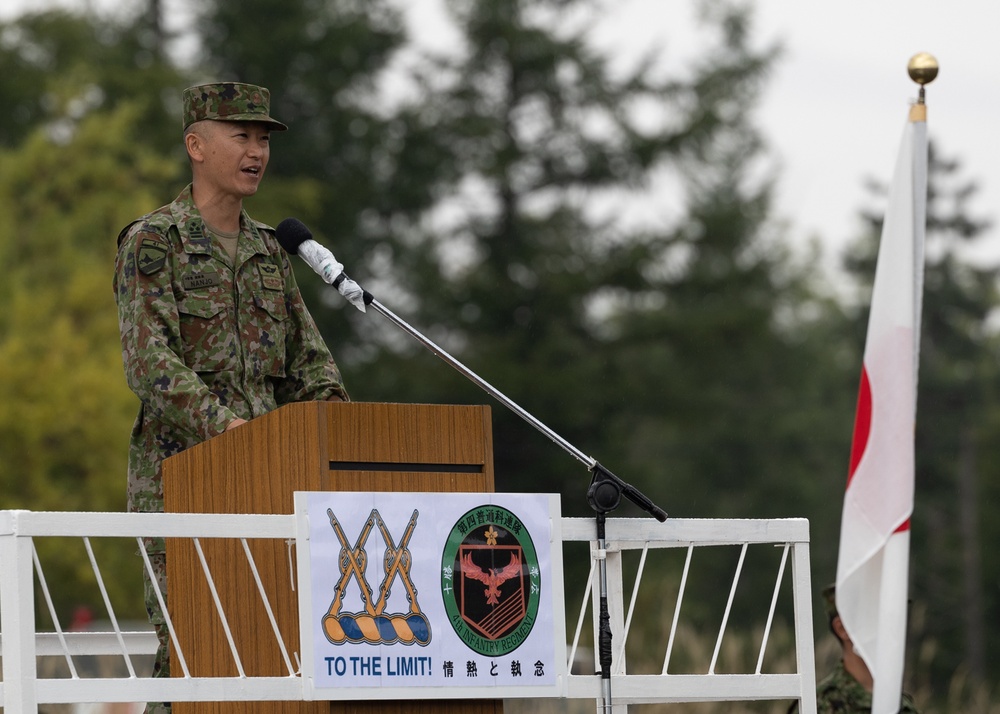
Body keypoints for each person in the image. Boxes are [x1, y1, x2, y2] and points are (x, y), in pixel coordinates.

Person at [113, 82, 349, 714]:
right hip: (182, 483)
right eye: (241, 136)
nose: (257, 152)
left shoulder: (273, 253)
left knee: (274, 653)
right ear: (196, 145)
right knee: (193, 654)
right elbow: (150, 365)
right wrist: (235, 434)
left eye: (264, 140)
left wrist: (336, 439)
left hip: (276, 483)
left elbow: (312, 367)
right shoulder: (154, 243)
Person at [790, 584, 919, 713]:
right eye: (878, 614)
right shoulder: (816, 707)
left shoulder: (903, 707)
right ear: (842, 628)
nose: (891, 625)